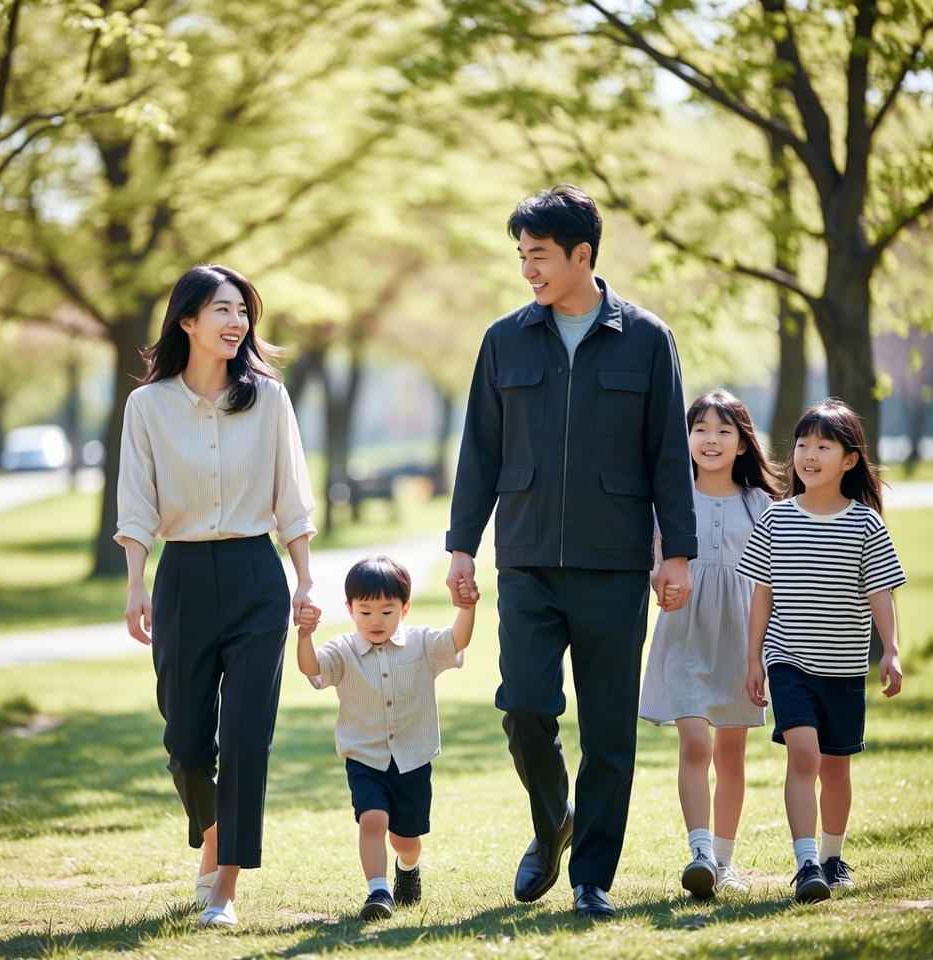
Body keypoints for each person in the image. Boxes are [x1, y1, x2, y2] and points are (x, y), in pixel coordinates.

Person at [445, 184, 697, 919]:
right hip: (526, 558)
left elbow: (667, 454)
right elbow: (480, 450)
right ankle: (553, 818)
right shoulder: (504, 339)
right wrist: (462, 547)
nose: (527, 269)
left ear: (581, 255)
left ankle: (592, 876)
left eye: (540, 256)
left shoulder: (647, 338)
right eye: (522, 256)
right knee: (524, 705)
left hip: (613, 561)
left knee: (609, 727)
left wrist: (677, 552)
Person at [116, 263, 318, 929]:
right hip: (180, 576)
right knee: (185, 741)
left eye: (243, 312)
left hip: (256, 575)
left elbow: (292, 497)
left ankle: (225, 889)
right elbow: (136, 502)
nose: (237, 323)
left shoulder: (270, 399)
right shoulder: (147, 407)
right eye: (223, 310)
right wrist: (136, 584)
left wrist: (305, 579)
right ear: (188, 321)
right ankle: (212, 832)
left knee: (247, 736)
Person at [737, 398, 906, 903]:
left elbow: (880, 593)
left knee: (835, 769)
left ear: (849, 459)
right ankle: (807, 862)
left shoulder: (866, 524)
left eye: (823, 446)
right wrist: (754, 658)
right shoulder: (775, 520)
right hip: (788, 660)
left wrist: (891, 651)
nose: (808, 455)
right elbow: (762, 595)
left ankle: (833, 858)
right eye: (802, 444)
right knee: (804, 754)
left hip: (845, 668)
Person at [639, 389, 780, 899]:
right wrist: (660, 580)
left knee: (732, 754)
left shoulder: (760, 503)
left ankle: (724, 860)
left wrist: (762, 654)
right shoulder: (670, 497)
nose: (711, 439)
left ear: (743, 443)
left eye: (724, 430)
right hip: (685, 631)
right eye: (700, 429)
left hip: (740, 637)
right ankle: (699, 853)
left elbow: (772, 579)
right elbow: (654, 559)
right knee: (696, 741)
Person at [296, 555, 476, 921]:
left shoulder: (422, 643)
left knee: (405, 840)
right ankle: (378, 892)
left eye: (387, 611)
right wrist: (304, 635)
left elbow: (457, 639)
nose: (375, 621)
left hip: (412, 758)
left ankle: (407, 868)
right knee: (372, 819)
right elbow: (311, 667)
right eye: (365, 612)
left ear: (404, 608)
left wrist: (466, 608)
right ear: (349, 609)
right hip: (365, 757)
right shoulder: (343, 650)